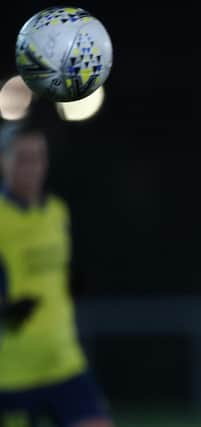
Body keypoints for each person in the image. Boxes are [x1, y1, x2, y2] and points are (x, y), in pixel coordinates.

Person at [0, 120, 115, 427]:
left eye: (38, 157)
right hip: (13, 371)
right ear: (4, 161)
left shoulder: (56, 212)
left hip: (65, 362)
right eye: (22, 158)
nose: (31, 167)